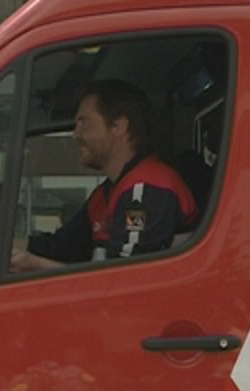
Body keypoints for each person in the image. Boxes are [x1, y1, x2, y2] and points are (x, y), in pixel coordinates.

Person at [10, 79, 199, 272]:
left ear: (119, 127)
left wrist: (35, 265)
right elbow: (62, 246)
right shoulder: (106, 194)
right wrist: (8, 248)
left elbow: (128, 278)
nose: (76, 135)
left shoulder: (148, 189)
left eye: (85, 124)